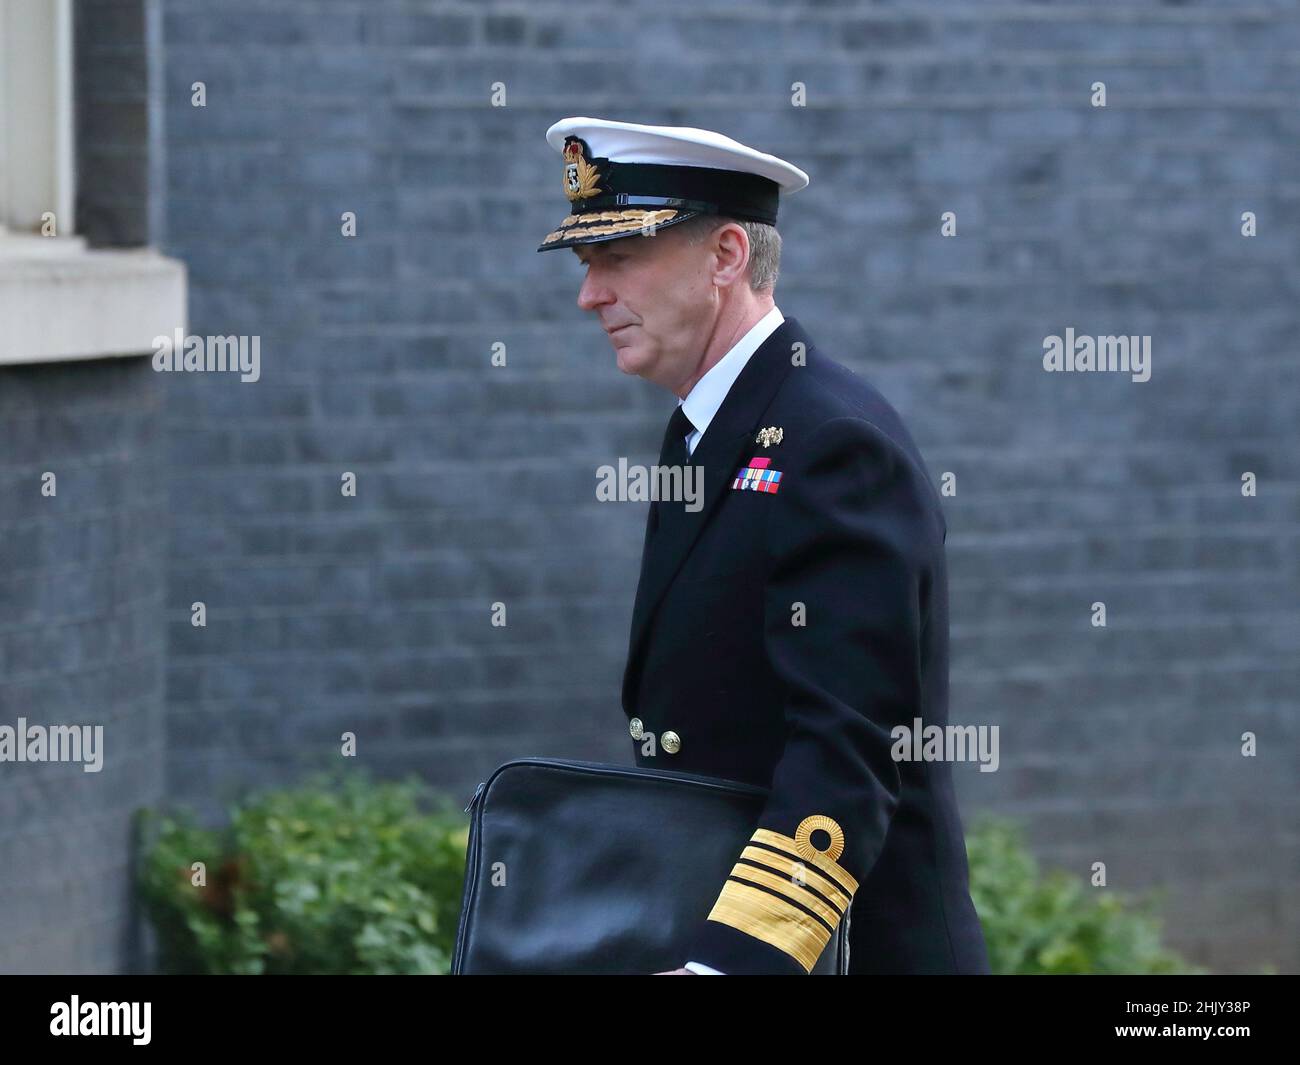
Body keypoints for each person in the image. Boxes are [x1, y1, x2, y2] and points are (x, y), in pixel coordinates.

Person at [537, 117, 991, 975]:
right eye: (587, 266)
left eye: (617, 259)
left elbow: (848, 747)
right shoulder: (708, 429)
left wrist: (728, 963)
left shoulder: (833, 442)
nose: (589, 296)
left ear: (726, 256)